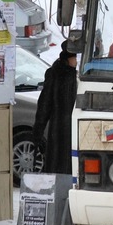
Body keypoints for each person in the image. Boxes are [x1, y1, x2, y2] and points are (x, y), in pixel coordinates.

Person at [34, 40, 80, 175]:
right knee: (58, 163)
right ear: (67, 59)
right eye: (74, 58)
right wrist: (38, 128)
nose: (76, 62)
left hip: (71, 127)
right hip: (59, 128)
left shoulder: (74, 76)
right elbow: (45, 102)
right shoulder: (56, 74)